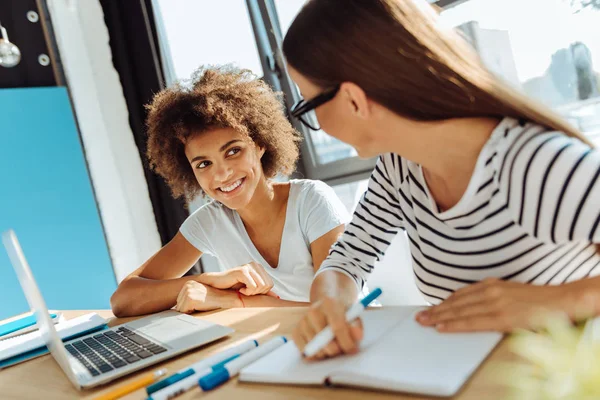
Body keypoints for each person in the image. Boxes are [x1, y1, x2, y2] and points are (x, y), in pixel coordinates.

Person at [282, 0, 600, 359]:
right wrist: (329, 303)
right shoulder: (399, 169)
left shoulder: (534, 164)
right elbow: (348, 258)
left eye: (308, 105)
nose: (316, 126)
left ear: (354, 100)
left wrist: (554, 302)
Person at [110, 65, 348, 318]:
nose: (222, 174)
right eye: (204, 164)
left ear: (259, 145)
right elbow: (123, 300)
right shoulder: (210, 221)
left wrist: (234, 302)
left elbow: (335, 310)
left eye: (233, 151)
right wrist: (207, 281)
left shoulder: (312, 201)